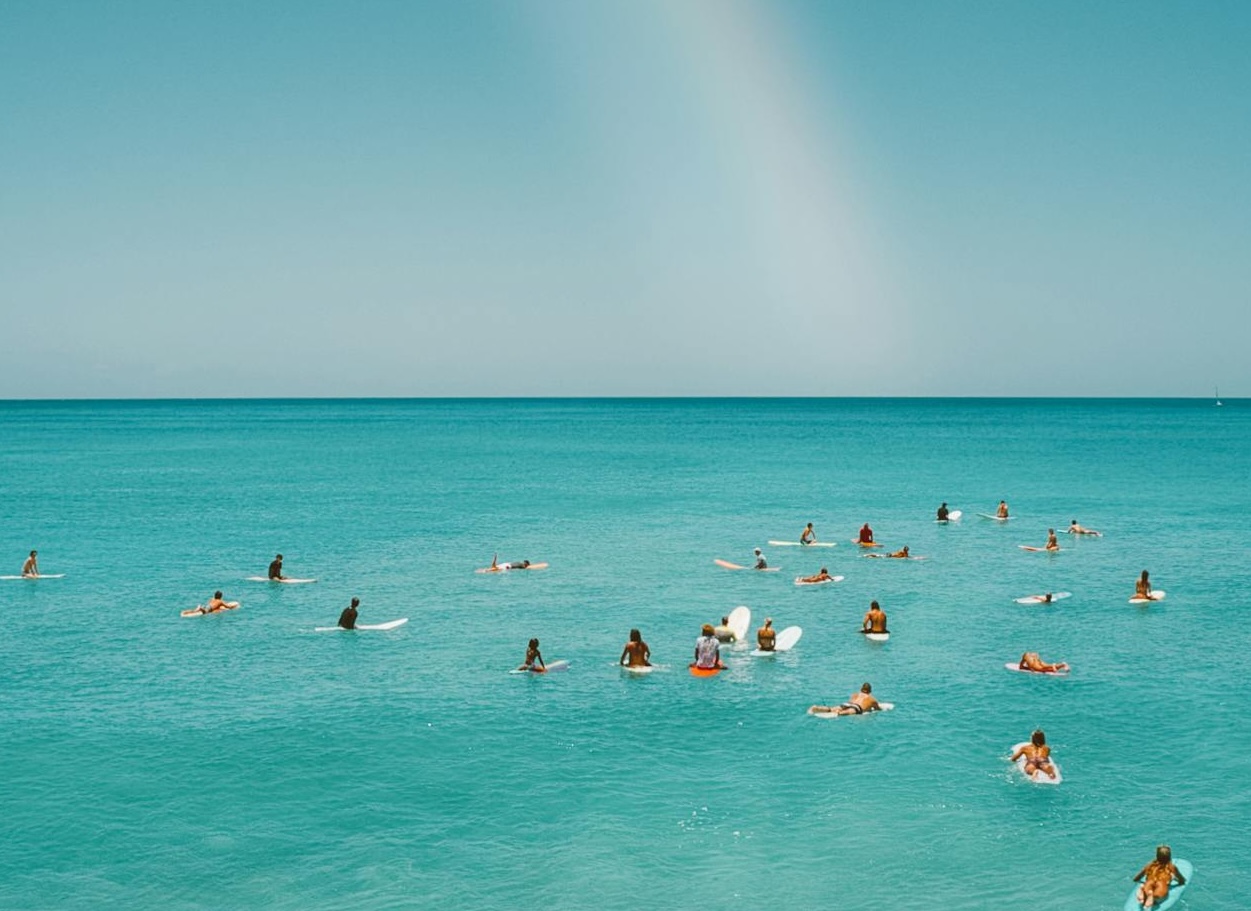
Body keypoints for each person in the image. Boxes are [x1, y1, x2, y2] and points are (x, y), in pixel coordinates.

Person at [1133, 845, 1186, 909]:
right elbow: (1182, 881)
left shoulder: (1150, 865)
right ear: (1169, 856)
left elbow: (1136, 879)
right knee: (1158, 897)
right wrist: (1174, 878)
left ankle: (1143, 893)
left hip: (1149, 882)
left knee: (1148, 887)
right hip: (1161, 885)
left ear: (1157, 856)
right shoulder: (1172, 867)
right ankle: (1152, 897)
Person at [811, 682, 881, 715]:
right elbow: (877, 709)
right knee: (848, 712)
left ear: (861, 689)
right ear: (870, 691)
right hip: (857, 707)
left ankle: (817, 708)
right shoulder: (872, 699)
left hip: (848, 704)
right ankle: (839, 713)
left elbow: (850, 702)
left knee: (831, 709)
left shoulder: (855, 694)